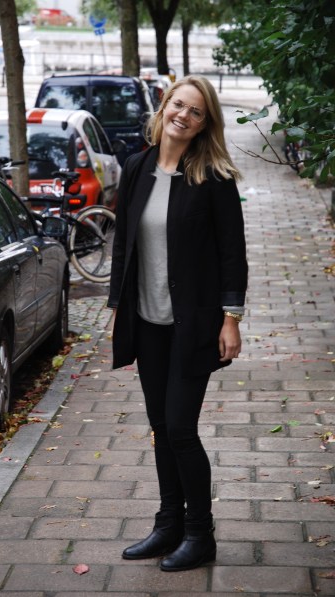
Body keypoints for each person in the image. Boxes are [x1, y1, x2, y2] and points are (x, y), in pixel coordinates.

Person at [107, 75, 248, 572]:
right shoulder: (136, 167)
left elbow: (233, 255)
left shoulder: (214, 177)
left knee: (182, 429)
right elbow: (123, 244)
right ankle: (167, 525)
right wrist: (117, 308)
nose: (183, 116)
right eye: (178, 105)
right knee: (161, 427)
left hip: (193, 324)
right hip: (147, 320)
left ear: (205, 123)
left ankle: (199, 534)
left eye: (195, 112)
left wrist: (231, 319)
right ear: (164, 105)